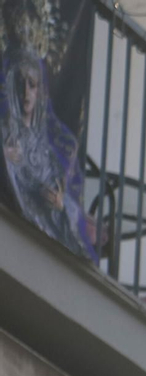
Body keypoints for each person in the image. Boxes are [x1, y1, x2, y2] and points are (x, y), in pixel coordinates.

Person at [1, 44, 95, 259]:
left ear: (39, 92)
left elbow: (62, 196)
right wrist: (4, 155)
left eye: (32, 85)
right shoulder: (5, 131)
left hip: (41, 237)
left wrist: (60, 204)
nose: (26, 92)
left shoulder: (47, 148)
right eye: (20, 83)